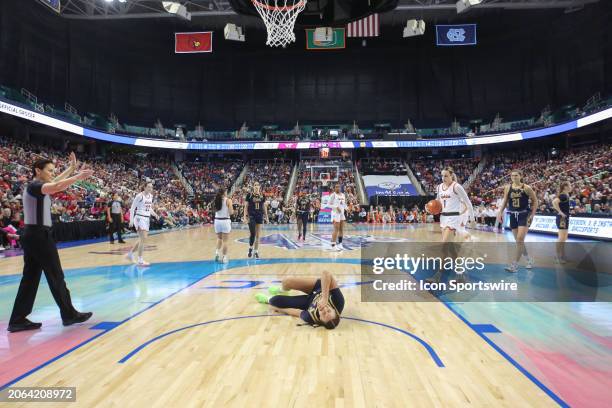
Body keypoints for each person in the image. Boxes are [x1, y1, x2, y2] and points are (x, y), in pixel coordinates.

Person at [8, 154, 94, 333]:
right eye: (49, 170)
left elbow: (55, 182)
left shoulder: (38, 186)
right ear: (38, 171)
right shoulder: (35, 186)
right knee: (56, 275)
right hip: (39, 236)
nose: (51, 174)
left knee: (30, 279)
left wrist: (70, 169)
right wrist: (77, 177)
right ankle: (69, 314)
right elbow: (56, 186)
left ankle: (17, 319)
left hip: (32, 236)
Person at [427, 167, 475, 284]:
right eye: (442, 176)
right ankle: (461, 274)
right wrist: (429, 207)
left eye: (446, 176)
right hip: (443, 218)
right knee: (451, 249)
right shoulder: (439, 187)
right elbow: (437, 201)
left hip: (454, 218)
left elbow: (468, 202)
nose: (444, 178)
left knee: (444, 247)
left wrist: (472, 219)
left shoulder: (456, 187)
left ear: (452, 176)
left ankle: (438, 276)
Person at [254, 270, 344, 329]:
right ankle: (282, 290)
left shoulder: (311, 317)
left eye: (323, 314)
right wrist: (324, 298)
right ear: (335, 311)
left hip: (308, 302)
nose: (324, 309)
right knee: (286, 282)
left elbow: (293, 312)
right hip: (319, 288)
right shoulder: (339, 302)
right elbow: (326, 273)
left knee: (275, 301)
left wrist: (277, 308)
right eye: (328, 310)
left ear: (320, 319)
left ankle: (267, 299)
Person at [496, 170, 538, 273]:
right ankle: (528, 260)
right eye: (512, 175)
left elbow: (535, 201)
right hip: (512, 215)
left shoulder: (527, 188)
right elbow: (505, 201)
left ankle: (514, 265)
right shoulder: (507, 188)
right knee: (519, 242)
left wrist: (532, 214)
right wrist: (500, 212)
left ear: (521, 176)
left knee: (519, 239)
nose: (514, 177)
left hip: (524, 214)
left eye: (516, 175)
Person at [127, 183, 158, 267]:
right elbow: (132, 208)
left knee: (142, 239)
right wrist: (131, 220)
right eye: (148, 187)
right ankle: (140, 260)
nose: (150, 188)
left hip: (146, 218)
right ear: (144, 187)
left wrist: (155, 214)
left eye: (151, 187)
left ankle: (130, 254)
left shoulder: (150, 196)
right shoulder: (139, 196)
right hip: (139, 218)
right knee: (143, 239)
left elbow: (149, 207)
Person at [243, 182, 268, 259]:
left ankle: (256, 251)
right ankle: (250, 248)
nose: (256, 186)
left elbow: (264, 207)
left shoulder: (262, 195)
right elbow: (246, 207)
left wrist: (266, 216)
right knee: (253, 233)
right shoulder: (249, 195)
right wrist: (245, 217)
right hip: (251, 216)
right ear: (253, 187)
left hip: (259, 216)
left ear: (259, 186)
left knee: (258, 236)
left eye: (258, 185)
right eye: (255, 185)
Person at [552, 181, 571, 263]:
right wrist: (560, 212)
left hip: (565, 218)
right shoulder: (563, 195)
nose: (571, 186)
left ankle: (562, 255)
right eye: (570, 185)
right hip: (562, 218)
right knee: (561, 238)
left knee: (564, 238)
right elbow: (554, 202)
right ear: (565, 187)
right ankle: (557, 256)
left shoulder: (566, 195)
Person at [213, 188, 233, 264]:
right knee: (225, 241)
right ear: (224, 193)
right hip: (225, 221)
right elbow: (231, 212)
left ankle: (217, 253)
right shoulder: (228, 200)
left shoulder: (216, 200)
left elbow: (214, 210)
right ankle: (224, 258)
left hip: (217, 221)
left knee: (219, 238)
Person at [328, 183, 347, 251]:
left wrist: (348, 209)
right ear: (334, 188)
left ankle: (340, 243)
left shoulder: (343, 195)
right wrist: (336, 207)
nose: (337, 188)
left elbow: (344, 204)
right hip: (335, 213)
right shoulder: (333, 195)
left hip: (342, 213)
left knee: (341, 229)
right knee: (336, 229)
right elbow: (328, 205)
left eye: (338, 187)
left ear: (340, 188)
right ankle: (333, 245)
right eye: (336, 187)